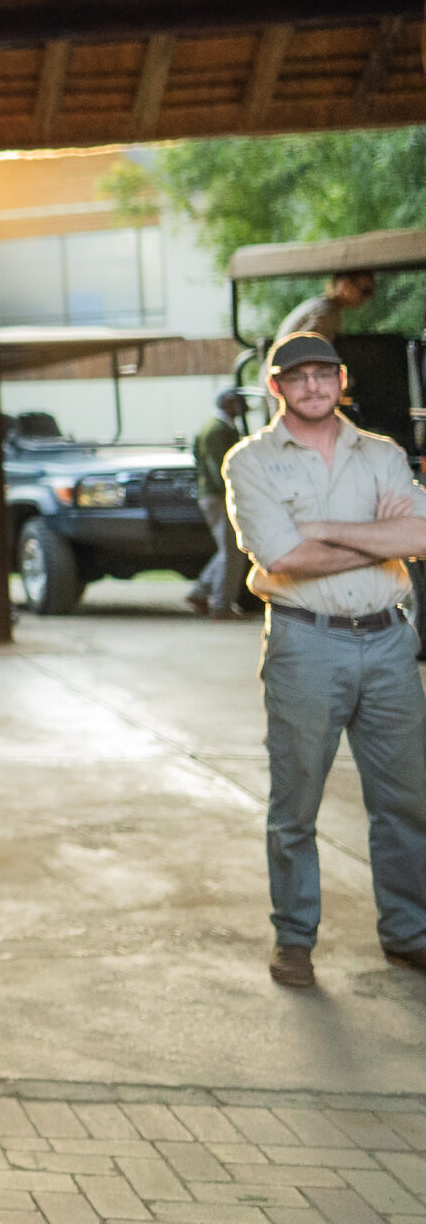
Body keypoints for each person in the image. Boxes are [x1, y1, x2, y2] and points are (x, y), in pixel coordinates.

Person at [225, 332, 426, 989]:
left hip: (390, 641)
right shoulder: (251, 462)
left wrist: (322, 530)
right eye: (297, 376)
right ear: (276, 387)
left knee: (407, 801)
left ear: (342, 380)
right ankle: (294, 939)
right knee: (297, 801)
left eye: (323, 374)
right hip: (305, 643)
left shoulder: (382, 454)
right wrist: (381, 537)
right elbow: (282, 557)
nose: (312, 386)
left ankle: (410, 935)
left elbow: (422, 534)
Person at [188, 387, 253, 618]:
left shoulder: (215, 426)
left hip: (213, 494)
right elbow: (220, 468)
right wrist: (235, 493)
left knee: (228, 549)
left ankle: (201, 591)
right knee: (233, 551)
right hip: (220, 496)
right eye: (238, 403)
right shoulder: (218, 430)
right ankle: (221, 604)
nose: (243, 408)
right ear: (228, 403)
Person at [279, 270, 376, 342]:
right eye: (365, 291)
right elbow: (306, 354)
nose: (368, 297)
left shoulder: (324, 307)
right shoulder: (326, 312)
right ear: (345, 285)